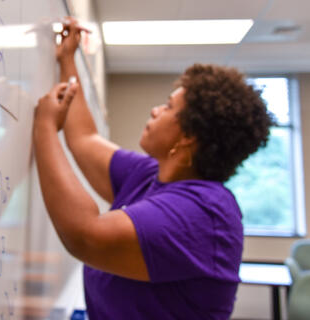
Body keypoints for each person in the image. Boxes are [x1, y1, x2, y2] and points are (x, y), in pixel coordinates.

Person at [33, 18, 274, 319]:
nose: (155, 110)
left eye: (169, 107)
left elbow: (85, 236)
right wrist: (67, 60)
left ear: (188, 136)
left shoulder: (204, 214)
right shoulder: (150, 176)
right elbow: (84, 138)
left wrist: (44, 128)